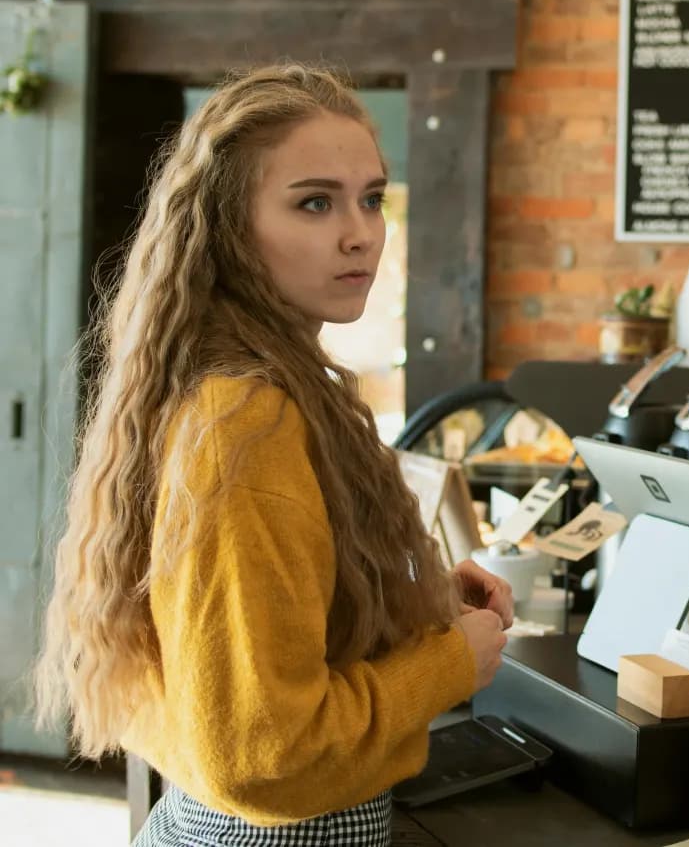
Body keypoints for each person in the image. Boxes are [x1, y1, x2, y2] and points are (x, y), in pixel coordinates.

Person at [34, 64, 512, 845]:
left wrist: (403, 604)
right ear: (228, 227)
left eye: (372, 198)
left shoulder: (247, 380)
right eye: (314, 202)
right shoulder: (244, 422)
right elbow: (264, 756)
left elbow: (253, 641)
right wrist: (448, 663)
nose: (360, 232)